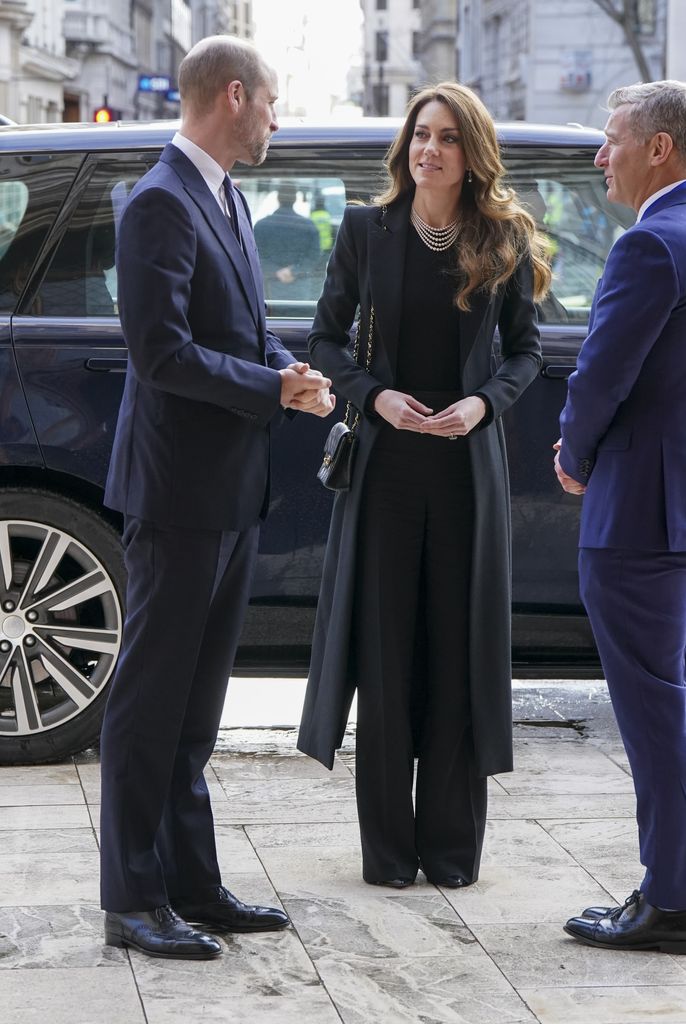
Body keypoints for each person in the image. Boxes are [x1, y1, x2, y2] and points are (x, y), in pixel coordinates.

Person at [99, 35, 334, 961]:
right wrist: (265, 388)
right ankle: (130, 899)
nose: (276, 120)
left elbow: (241, 328)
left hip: (230, 489)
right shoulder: (158, 199)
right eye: (271, 104)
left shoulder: (224, 194)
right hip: (176, 491)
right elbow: (159, 353)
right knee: (149, 702)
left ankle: (192, 884)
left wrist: (288, 369)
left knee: (197, 713)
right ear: (234, 96)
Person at [298, 83, 550, 888]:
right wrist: (376, 397)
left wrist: (483, 402)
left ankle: (449, 851)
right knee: (388, 650)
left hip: (466, 471)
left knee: (456, 652)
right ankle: (388, 855)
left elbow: (526, 352)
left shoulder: (502, 235)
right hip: (387, 472)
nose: (428, 149)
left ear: (470, 152)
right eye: (419, 135)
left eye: (445, 137)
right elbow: (326, 338)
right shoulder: (366, 231)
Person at [555, 80, 686, 953]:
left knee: (653, 709)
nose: (600, 156)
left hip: (640, 513)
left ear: (660, 149)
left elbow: (601, 370)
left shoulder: (652, 245)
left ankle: (670, 899)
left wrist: (571, 452)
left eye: (612, 140)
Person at [253, 183, 322, 300]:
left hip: (269, 288)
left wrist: (275, 271)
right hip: (299, 289)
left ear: (278, 198)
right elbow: (314, 255)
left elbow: (254, 255)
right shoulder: (308, 226)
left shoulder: (261, 225)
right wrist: (294, 271)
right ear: (295, 199)